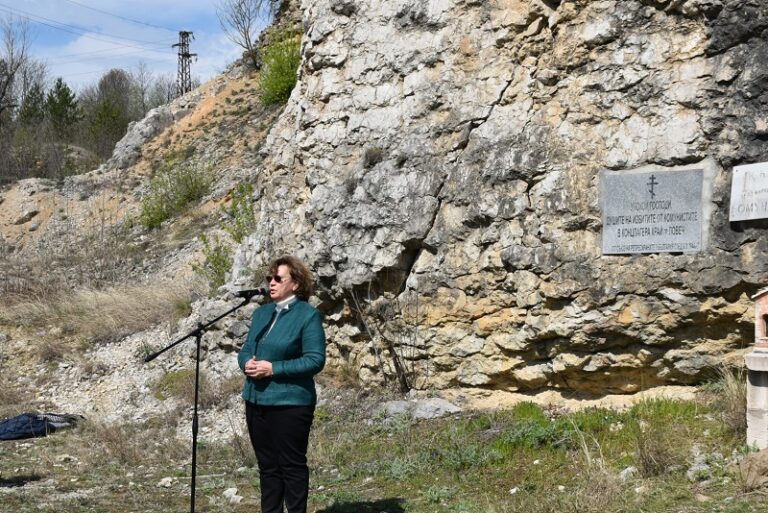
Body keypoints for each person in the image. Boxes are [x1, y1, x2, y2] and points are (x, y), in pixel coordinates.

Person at [237, 255, 326, 513]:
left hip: (290, 403)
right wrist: (246, 364)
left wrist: (273, 368)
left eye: (278, 278)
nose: (271, 283)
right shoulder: (261, 313)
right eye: (269, 278)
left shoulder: (307, 316)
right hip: (255, 399)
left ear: (295, 283)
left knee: (291, 466)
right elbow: (246, 349)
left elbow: (314, 360)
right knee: (268, 467)